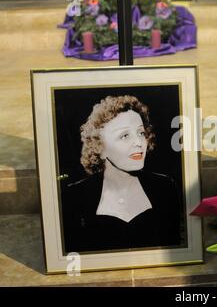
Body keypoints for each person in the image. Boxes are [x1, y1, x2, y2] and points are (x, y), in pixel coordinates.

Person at [61, 95, 182, 253]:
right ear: (99, 147)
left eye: (141, 133)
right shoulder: (74, 196)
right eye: (124, 136)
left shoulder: (165, 188)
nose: (139, 143)